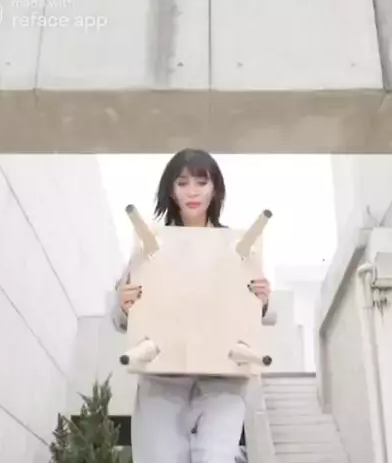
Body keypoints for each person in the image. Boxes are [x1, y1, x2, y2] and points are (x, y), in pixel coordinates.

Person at [111, 148, 273, 463]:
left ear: (215, 189)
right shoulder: (149, 248)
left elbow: (258, 313)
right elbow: (121, 318)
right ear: (171, 190)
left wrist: (263, 301)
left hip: (223, 376)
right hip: (163, 377)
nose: (193, 191)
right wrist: (124, 305)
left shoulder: (239, 249)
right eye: (183, 183)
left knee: (217, 457)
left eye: (201, 182)